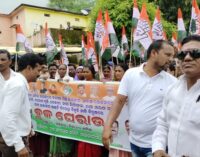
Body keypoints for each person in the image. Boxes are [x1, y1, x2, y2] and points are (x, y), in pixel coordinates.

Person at [102, 40, 177, 157]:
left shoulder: (173, 82)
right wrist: (108, 126)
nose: (171, 59)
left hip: (157, 147)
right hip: (134, 142)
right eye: (168, 55)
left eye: (172, 56)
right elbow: (119, 101)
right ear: (154, 53)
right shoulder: (130, 74)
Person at [152, 35, 200, 157]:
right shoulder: (172, 89)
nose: (187, 58)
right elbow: (162, 124)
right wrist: (158, 148)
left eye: (195, 53)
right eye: (182, 54)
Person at [0, 53, 43, 157]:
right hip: (13, 143)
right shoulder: (17, 85)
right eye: (38, 70)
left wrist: (28, 128)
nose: (39, 74)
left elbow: (19, 112)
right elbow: (7, 117)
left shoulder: (18, 83)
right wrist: (19, 145)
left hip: (15, 139)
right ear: (29, 68)